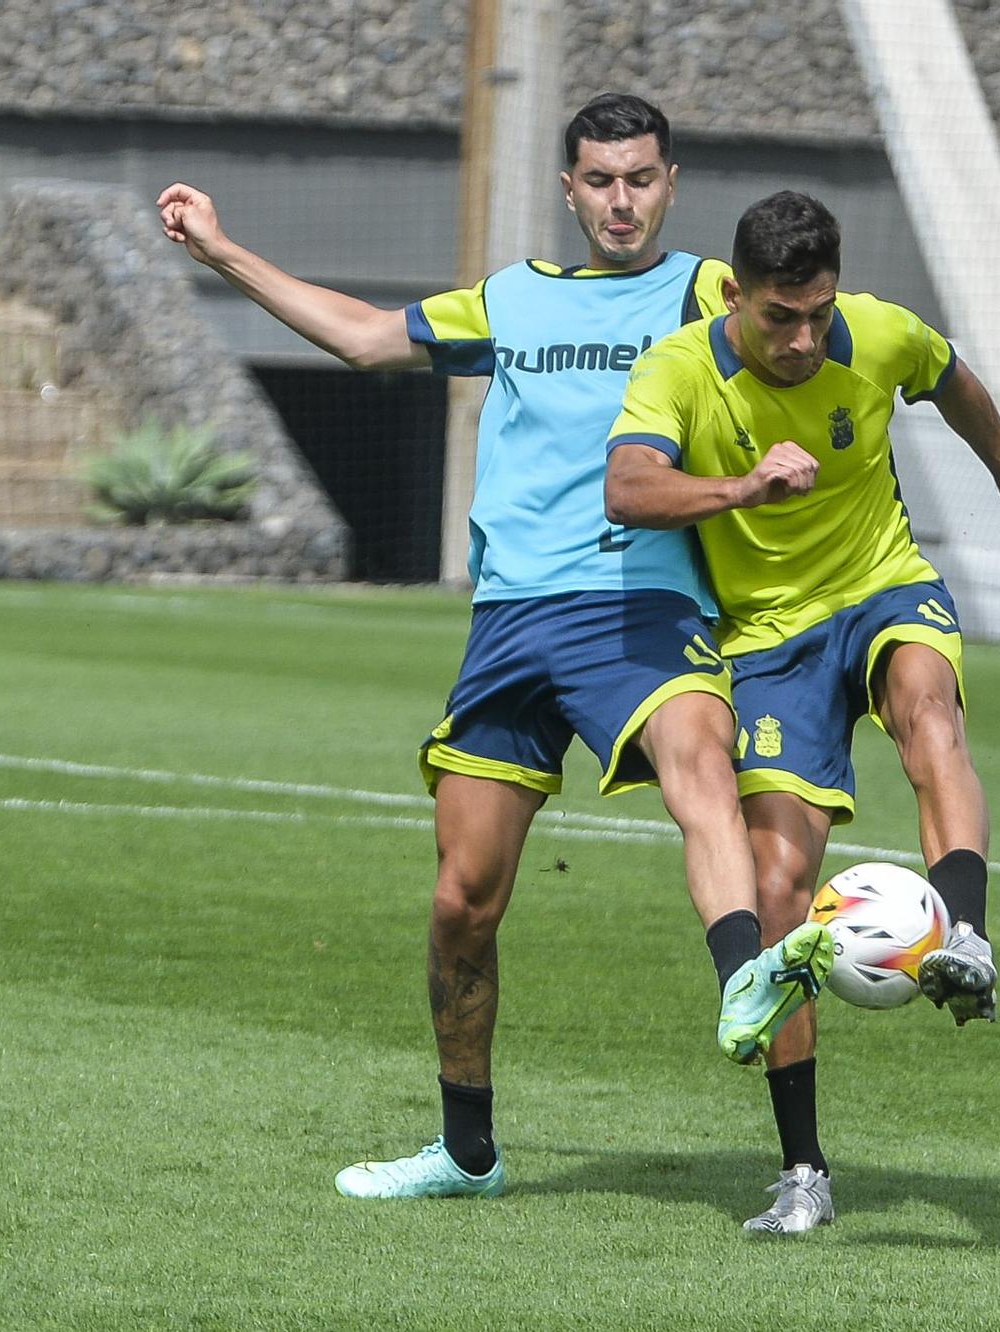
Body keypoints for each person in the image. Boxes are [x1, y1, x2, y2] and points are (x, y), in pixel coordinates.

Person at [156, 97, 831, 1204]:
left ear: (672, 184)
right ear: (569, 188)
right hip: (513, 617)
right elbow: (368, 336)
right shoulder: (506, 298)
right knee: (461, 898)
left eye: (642, 179)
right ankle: (466, 1152)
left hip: (641, 603)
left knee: (701, 775)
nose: (622, 200)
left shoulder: (711, 290)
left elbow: (822, 326)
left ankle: (744, 996)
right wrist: (223, 249)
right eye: (601, 181)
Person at [604, 190, 1000, 1234]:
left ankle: (964, 932)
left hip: (882, 586)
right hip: (766, 639)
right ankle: (803, 1171)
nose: (802, 337)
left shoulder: (875, 332)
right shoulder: (678, 368)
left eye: (815, 312)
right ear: (734, 294)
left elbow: (951, 379)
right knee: (779, 889)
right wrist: (742, 487)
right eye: (780, 315)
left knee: (929, 716)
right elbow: (628, 489)